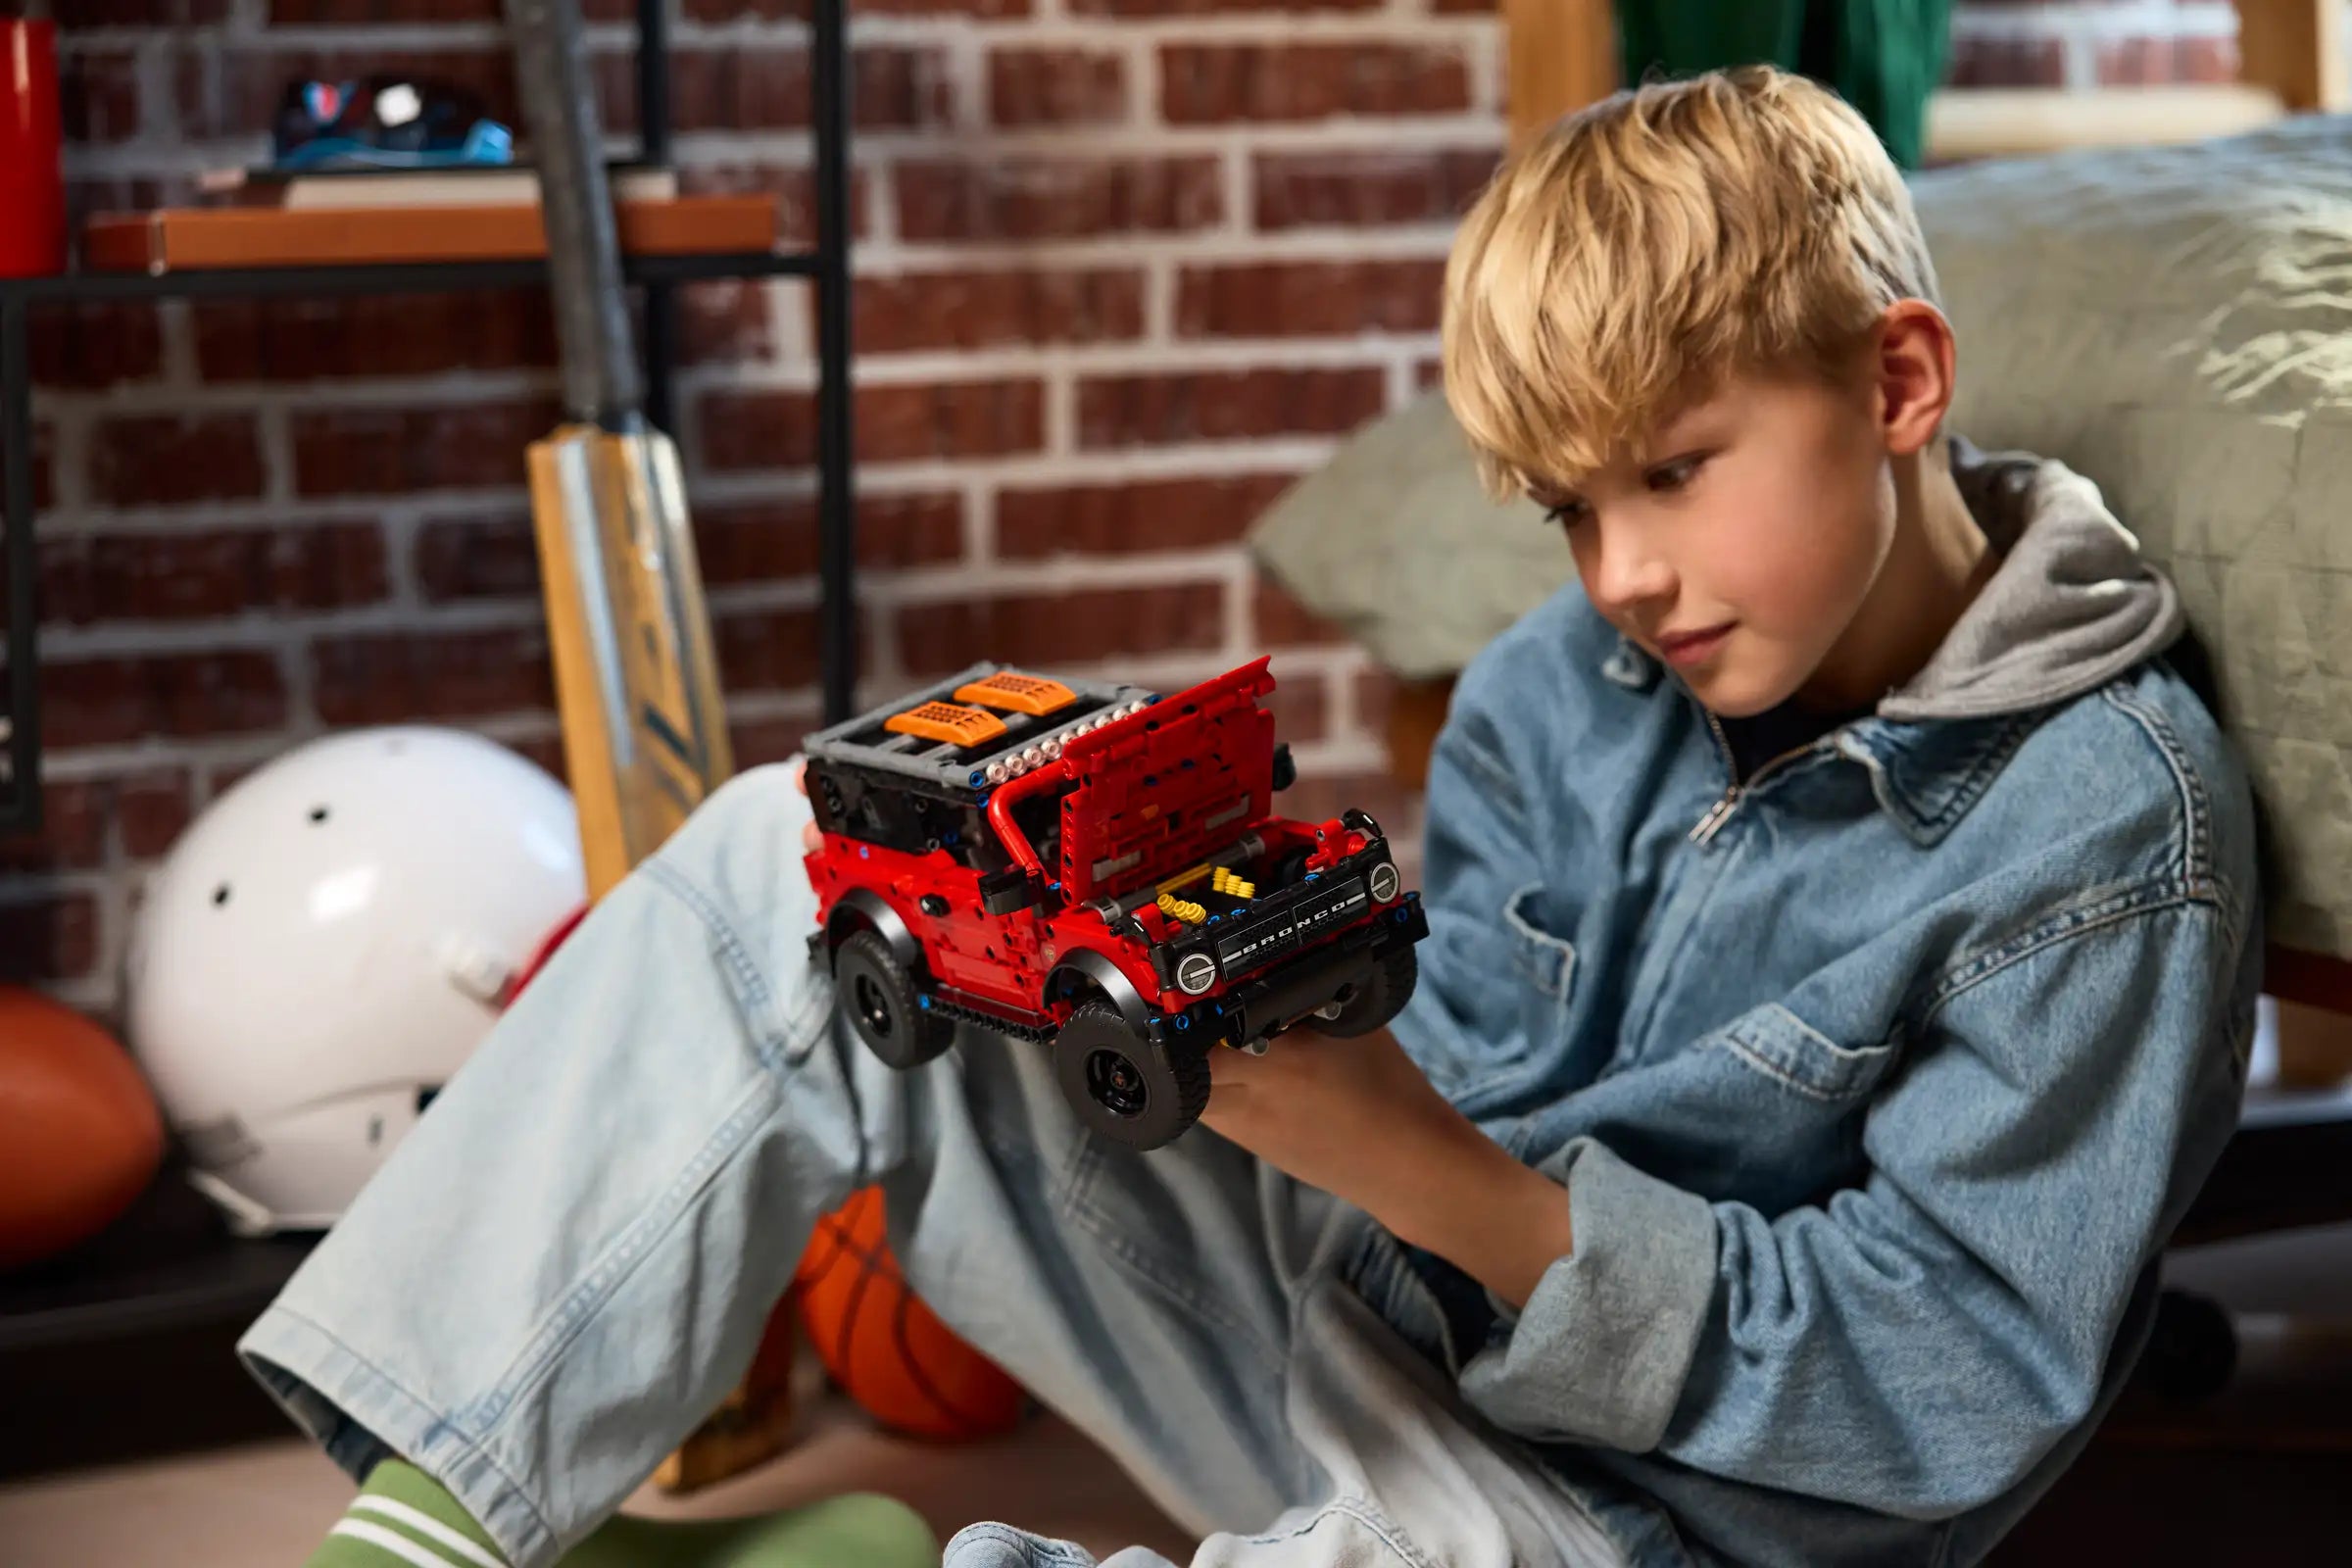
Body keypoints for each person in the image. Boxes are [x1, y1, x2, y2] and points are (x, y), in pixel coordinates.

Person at [245, 65, 2260, 1568]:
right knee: (810, 850)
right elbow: (1446, 1050)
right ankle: (431, 1527)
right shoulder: (1568, 683)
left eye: (1675, 468)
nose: (1623, 573)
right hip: (1355, 1325)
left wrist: (1434, 1169)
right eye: (1573, 509)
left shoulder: (2103, 818)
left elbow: (1953, 1386)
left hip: (1654, 1528)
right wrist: (1284, 1052)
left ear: (1898, 379)